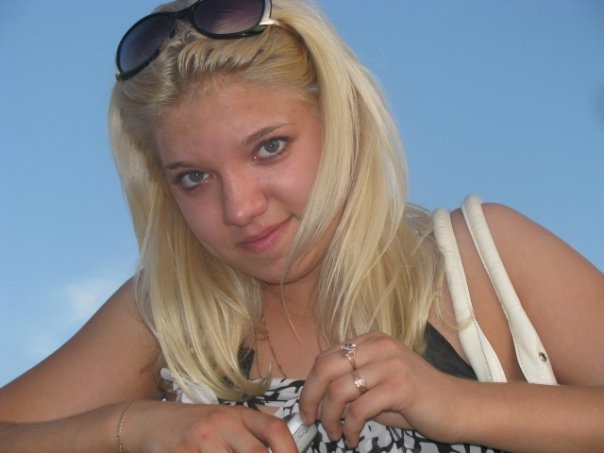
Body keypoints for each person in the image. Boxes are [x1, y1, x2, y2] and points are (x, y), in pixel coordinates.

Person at [1, 0, 602, 451]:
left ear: (342, 122)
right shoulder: (168, 318)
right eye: (194, 177)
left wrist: (460, 404)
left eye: (269, 148)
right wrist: (127, 428)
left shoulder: (480, 259)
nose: (240, 208)